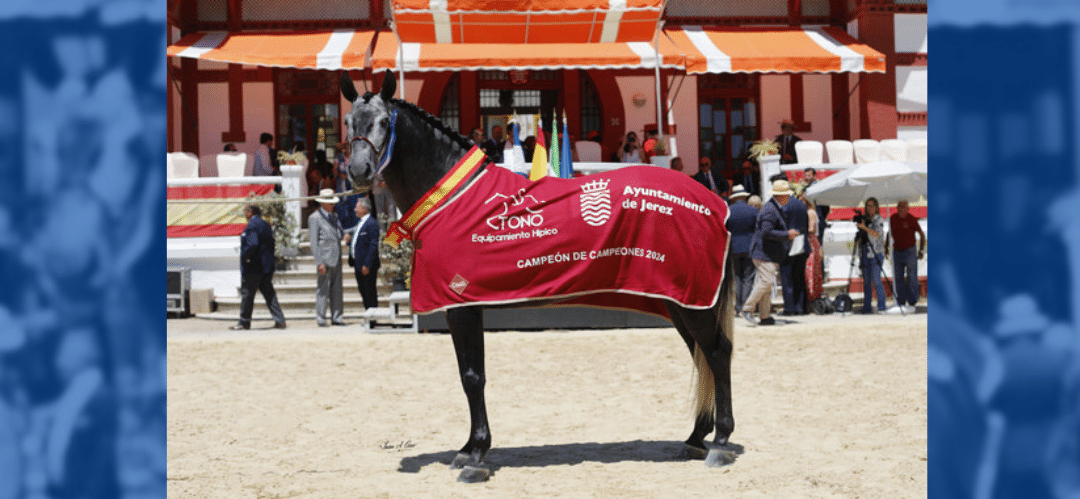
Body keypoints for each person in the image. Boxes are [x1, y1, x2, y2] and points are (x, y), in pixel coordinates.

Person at [741, 180, 800, 326]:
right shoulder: (770, 209)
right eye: (786, 195)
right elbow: (766, 232)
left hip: (765, 253)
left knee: (766, 285)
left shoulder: (773, 207)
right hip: (763, 253)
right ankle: (747, 309)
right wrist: (787, 234)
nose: (788, 198)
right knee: (767, 281)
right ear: (781, 196)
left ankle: (765, 316)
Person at [231, 204, 286, 330]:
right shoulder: (266, 225)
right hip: (266, 267)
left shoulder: (252, 225)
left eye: (245, 211)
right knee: (269, 294)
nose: (244, 214)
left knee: (247, 295)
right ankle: (280, 320)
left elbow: (252, 243)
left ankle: (244, 322)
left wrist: (245, 257)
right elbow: (271, 244)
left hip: (253, 268)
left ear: (250, 212)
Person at [309, 189, 347, 327]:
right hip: (324, 259)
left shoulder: (335, 217)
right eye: (330, 203)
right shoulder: (314, 218)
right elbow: (314, 242)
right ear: (323, 203)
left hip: (336, 257)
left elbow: (339, 233)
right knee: (323, 289)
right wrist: (319, 262)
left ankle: (337, 317)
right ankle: (321, 317)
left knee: (337, 289)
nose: (332, 205)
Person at [885, 199, 926, 313]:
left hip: (910, 251)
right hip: (896, 251)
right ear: (897, 208)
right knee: (898, 277)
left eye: (903, 207)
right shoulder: (893, 218)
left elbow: (922, 235)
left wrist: (921, 250)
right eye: (899, 207)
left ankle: (912, 302)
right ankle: (901, 302)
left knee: (912, 277)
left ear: (908, 209)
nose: (901, 209)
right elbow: (889, 233)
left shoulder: (912, 219)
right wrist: (886, 247)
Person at [725, 185, 757, 313]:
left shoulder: (728, 210)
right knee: (748, 278)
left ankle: (738, 307)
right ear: (744, 196)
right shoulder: (753, 210)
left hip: (734, 247)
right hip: (750, 247)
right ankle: (745, 306)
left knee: (737, 277)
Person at [856, 197, 888, 314]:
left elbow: (877, 234)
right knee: (866, 282)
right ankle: (867, 307)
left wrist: (864, 228)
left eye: (872, 206)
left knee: (876, 280)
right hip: (865, 252)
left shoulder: (879, 219)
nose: (869, 208)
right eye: (868, 206)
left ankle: (882, 306)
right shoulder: (864, 219)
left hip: (876, 252)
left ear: (876, 207)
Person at [780, 190, 810, 315]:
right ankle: (800, 307)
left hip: (789, 245)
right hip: (802, 243)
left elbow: (782, 225)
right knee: (799, 277)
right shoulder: (801, 205)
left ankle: (790, 308)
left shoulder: (784, 205)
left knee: (787, 278)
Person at [349, 197, 381, 310]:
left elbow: (373, 245)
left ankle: (372, 318)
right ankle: (369, 315)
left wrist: (367, 264)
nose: (354, 209)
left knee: (369, 291)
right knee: (363, 291)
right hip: (358, 264)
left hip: (367, 266)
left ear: (364, 208)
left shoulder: (371, 223)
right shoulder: (360, 223)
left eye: (356, 207)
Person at [802, 195, 824, 304]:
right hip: (812, 241)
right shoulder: (811, 212)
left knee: (810, 270)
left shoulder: (810, 213)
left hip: (810, 242)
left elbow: (811, 229)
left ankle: (812, 296)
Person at [802, 167, 830, 240]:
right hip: (809, 219)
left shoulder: (820, 187)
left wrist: (820, 217)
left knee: (818, 243)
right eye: (805, 176)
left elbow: (826, 206)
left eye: (809, 175)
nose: (806, 178)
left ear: (814, 176)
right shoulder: (805, 189)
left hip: (819, 219)